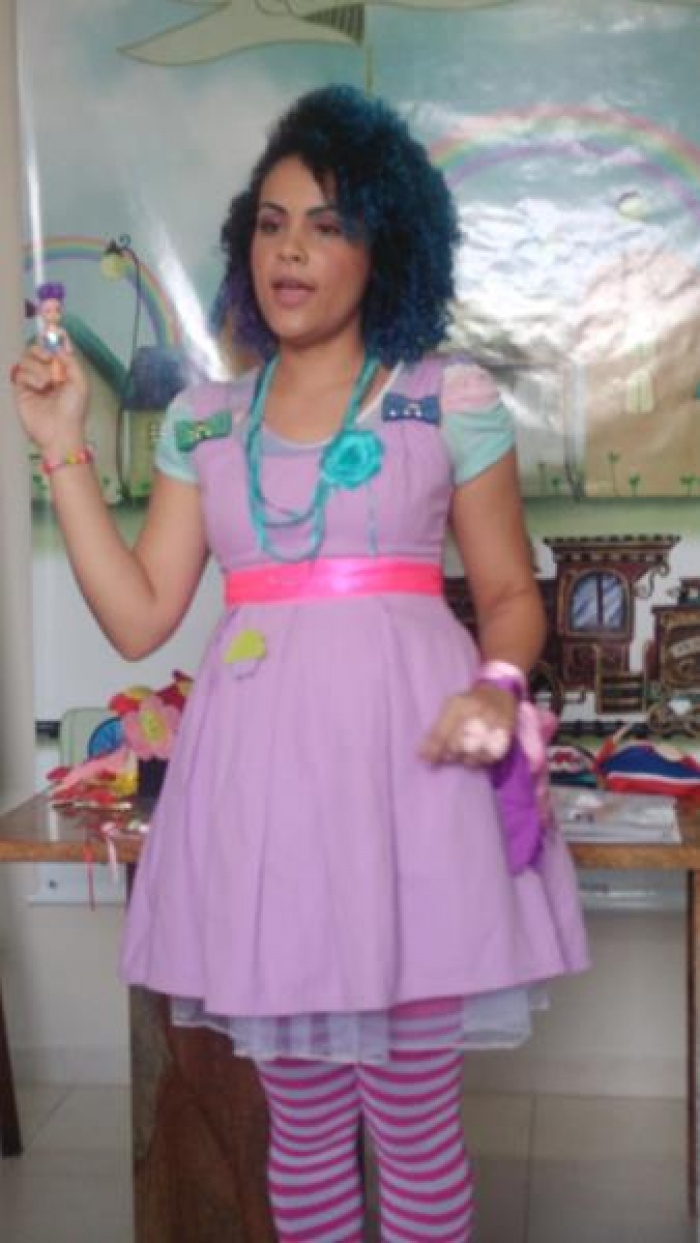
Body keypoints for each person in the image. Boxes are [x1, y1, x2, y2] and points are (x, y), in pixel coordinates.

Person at [12, 84, 588, 1242]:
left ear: (385, 248)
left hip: (412, 786)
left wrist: (496, 686)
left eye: (328, 225)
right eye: (272, 223)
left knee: (414, 1119)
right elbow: (139, 616)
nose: (291, 250)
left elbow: (512, 598)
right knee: (305, 1124)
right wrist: (63, 448)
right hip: (262, 795)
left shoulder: (444, 398)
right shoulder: (204, 420)